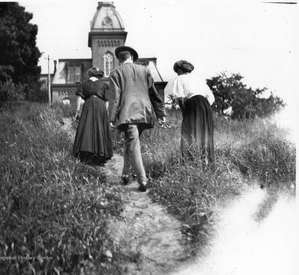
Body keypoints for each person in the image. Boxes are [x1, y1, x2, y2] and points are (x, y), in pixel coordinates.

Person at [109, 46, 166, 192]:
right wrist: (161, 114)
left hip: (128, 114)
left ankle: (142, 180)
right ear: (132, 58)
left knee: (133, 144)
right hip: (145, 112)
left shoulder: (116, 72)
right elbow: (154, 93)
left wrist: (111, 117)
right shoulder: (145, 70)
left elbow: (115, 97)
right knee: (131, 143)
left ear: (119, 60)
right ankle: (125, 175)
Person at [170, 60, 215, 168]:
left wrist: (185, 112)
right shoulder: (198, 79)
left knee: (188, 132)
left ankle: (190, 165)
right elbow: (211, 97)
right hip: (205, 105)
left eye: (177, 72)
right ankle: (208, 165)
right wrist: (203, 107)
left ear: (179, 70)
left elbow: (180, 98)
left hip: (192, 103)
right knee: (205, 134)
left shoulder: (179, 78)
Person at [73, 67, 113, 165]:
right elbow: (107, 100)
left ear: (90, 74)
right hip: (100, 106)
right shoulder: (104, 85)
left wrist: (77, 111)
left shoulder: (84, 84)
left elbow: (79, 98)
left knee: (87, 127)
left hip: (88, 105)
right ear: (99, 75)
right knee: (100, 127)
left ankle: (86, 154)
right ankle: (100, 154)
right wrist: (106, 112)